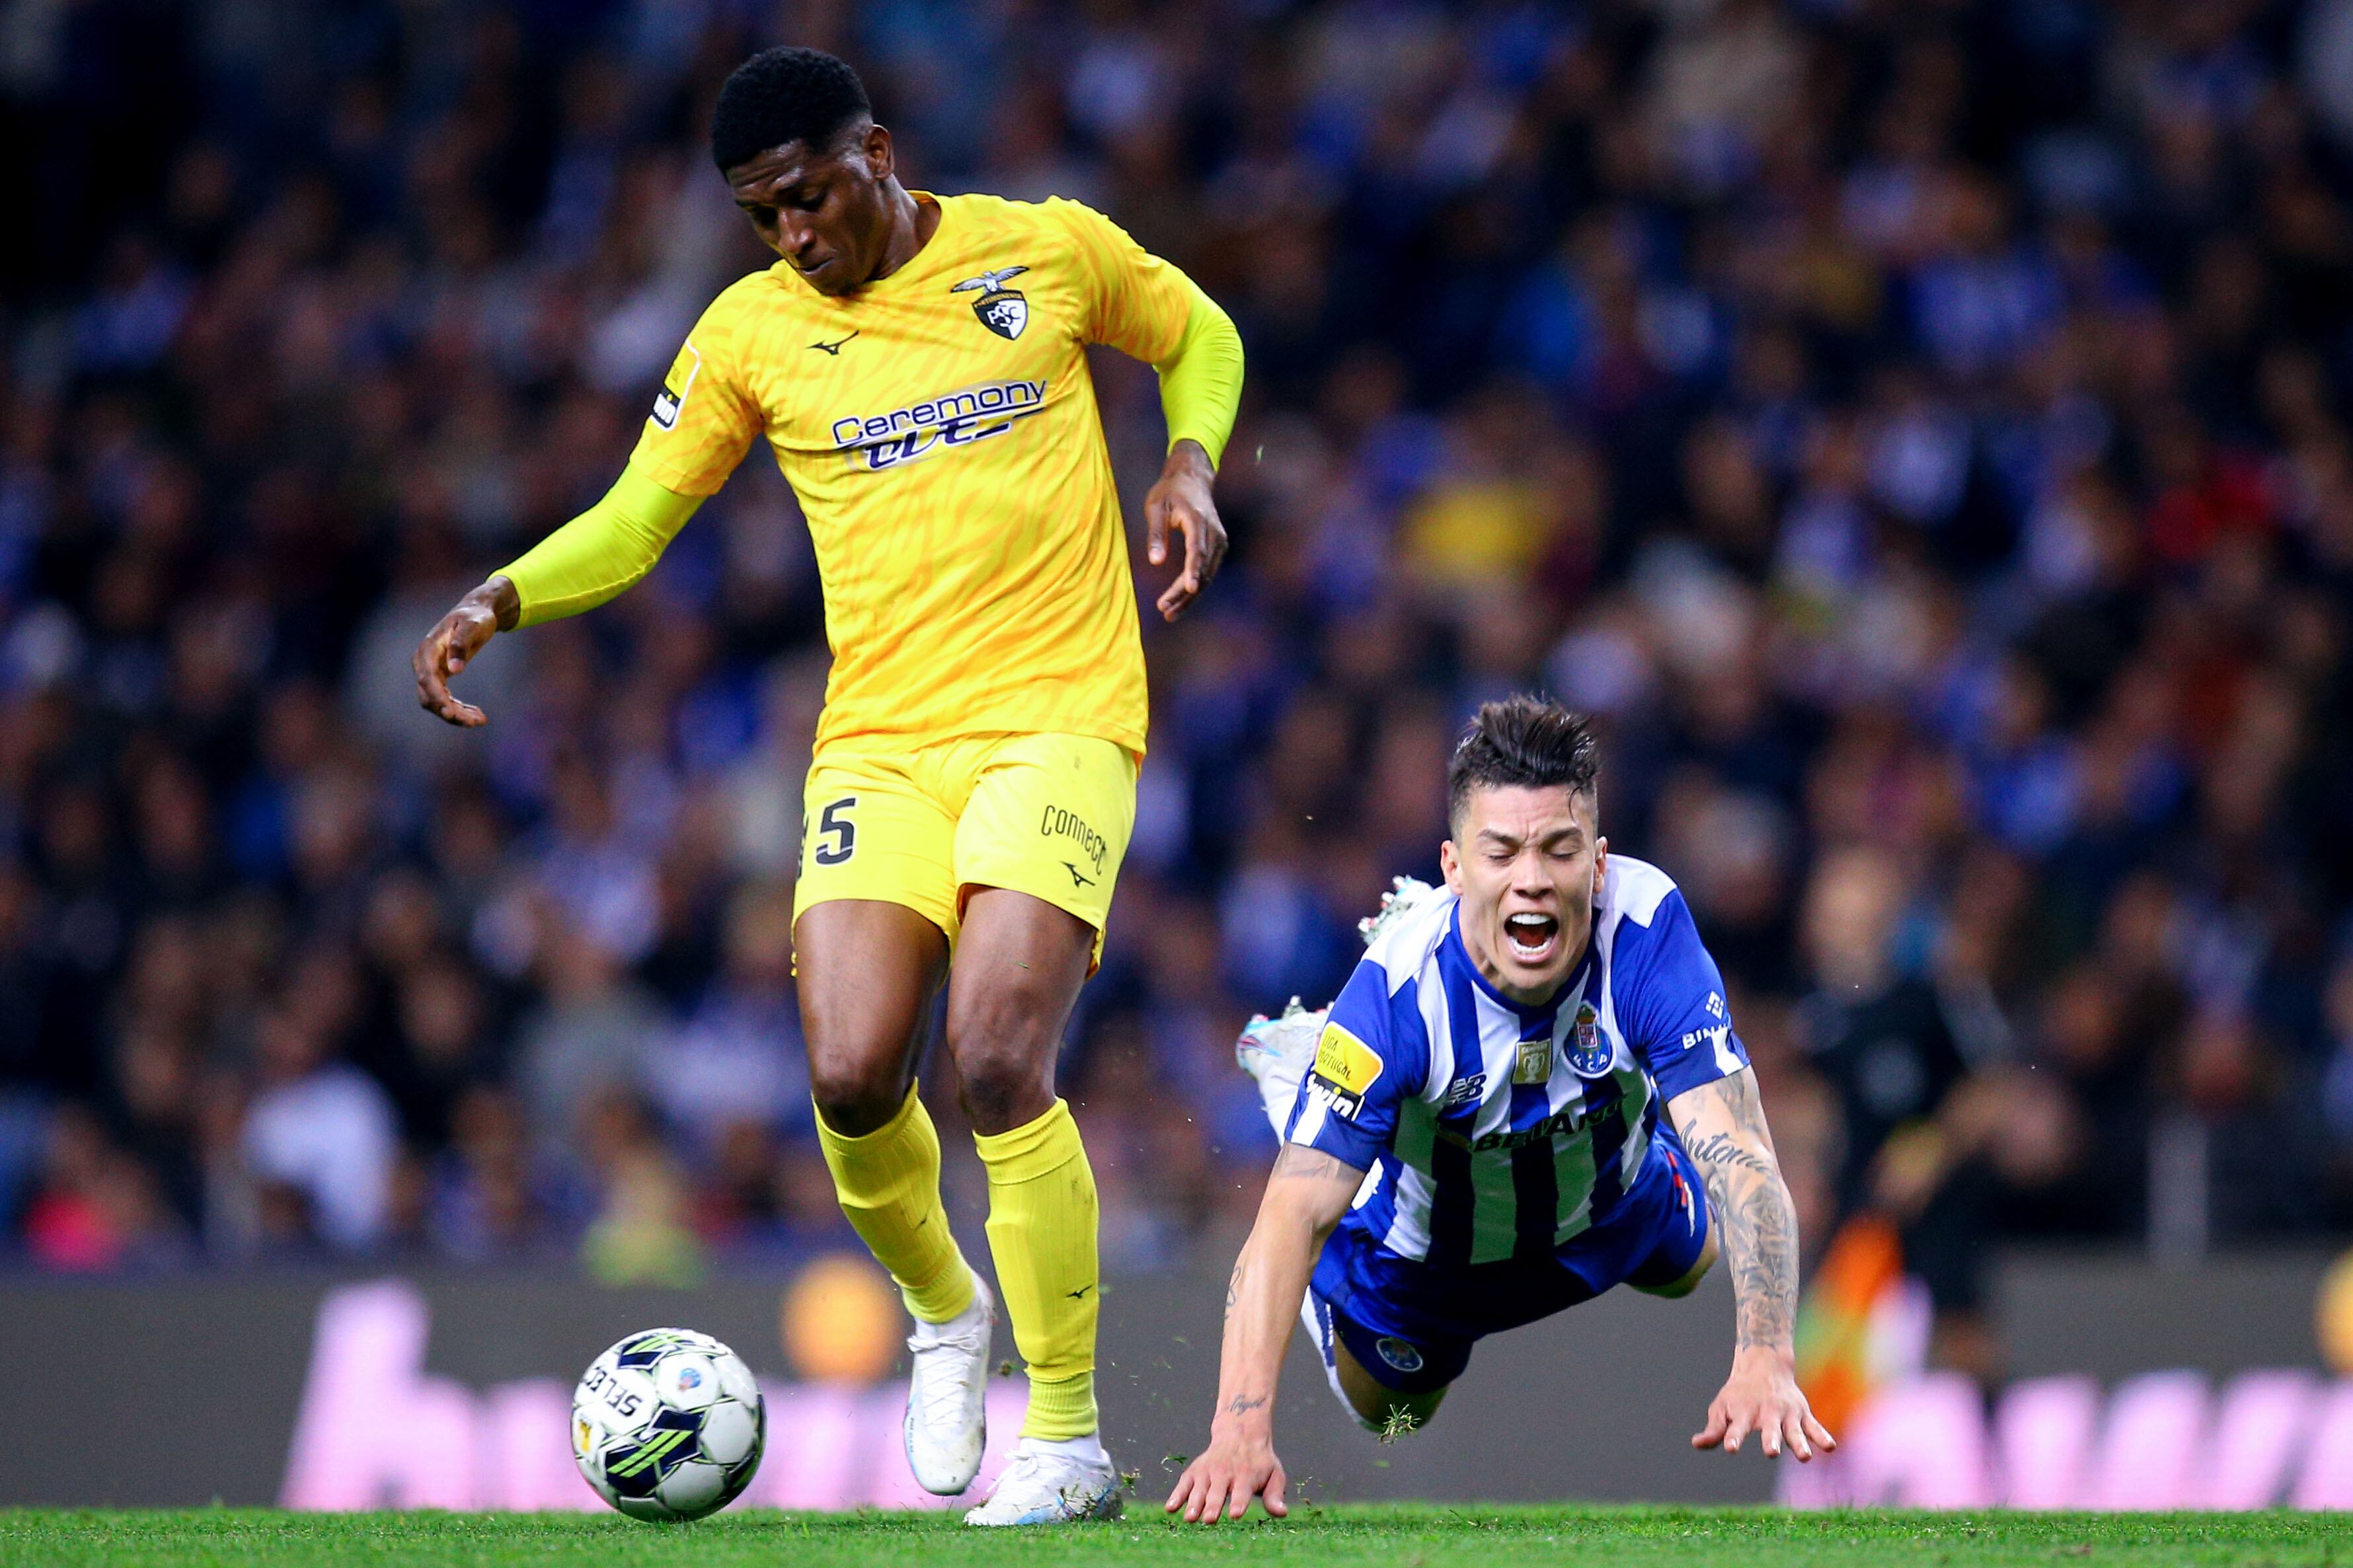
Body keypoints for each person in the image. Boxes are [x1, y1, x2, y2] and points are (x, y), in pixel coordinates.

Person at [413, 46, 1243, 1526]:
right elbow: (636, 518)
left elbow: (1200, 329)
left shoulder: (1040, 251)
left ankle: (1063, 1437)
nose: (791, 236)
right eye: (760, 217)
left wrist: (1188, 463)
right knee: (854, 1076)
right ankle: (944, 1306)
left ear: (878, 154)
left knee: (996, 1050)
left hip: (1056, 715)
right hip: (879, 742)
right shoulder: (751, 334)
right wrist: (501, 596)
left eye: (806, 198)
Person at [1167, 696, 1833, 1524]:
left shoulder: (1645, 928)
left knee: (1692, 1262)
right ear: (1453, 867)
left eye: (1559, 849)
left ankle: (1625, 1148)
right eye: (1501, 852)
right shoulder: (1398, 999)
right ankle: (1315, 1093)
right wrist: (1239, 1429)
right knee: (1394, 1415)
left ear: (1598, 862)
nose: (1532, 879)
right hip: (1434, 1263)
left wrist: (1766, 1355)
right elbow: (1287, 1218)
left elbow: (1743, 1155)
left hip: (1612, 1203)